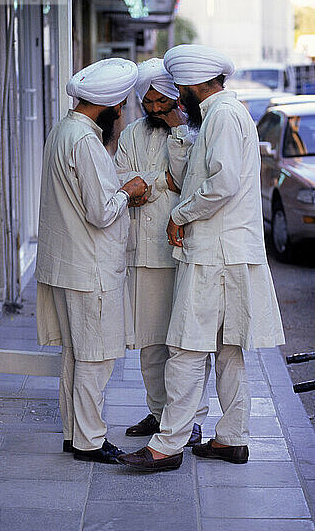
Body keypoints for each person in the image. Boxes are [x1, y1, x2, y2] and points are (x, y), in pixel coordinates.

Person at [118, 45, 285, 472]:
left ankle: (167, 445)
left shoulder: (223, 116)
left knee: (186, 350)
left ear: (192, 86)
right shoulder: (222, 114)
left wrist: (180, 213)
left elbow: (223, 182)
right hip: (225, 253)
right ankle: (231, 439)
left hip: (216, 255)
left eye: (180, 91)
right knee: (228, 352)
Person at [35, 58, 148, 464]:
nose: (122, 118)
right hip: (91, 269)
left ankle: (75, 434)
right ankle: (90, 440)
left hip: (67, 265)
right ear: (111, 108)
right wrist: (129, 190)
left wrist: (114, 188)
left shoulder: (62, 131)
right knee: (96, 358)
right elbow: (101, 211)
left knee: (76, 355)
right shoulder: (85, 141)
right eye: (121, 111)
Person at [115, 58, 207, 446]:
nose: (154, 109)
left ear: (175, 98)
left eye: (161, 102)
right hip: (141, 254)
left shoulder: (193, 134)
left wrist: (177, 137)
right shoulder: (131, 134)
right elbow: (120, 181)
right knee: (150, 344)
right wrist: (159, 182)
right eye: (148, 102)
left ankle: (191, 421)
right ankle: (158, 414)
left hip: (180, 252)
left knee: (184, 343)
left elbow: (190, 182)